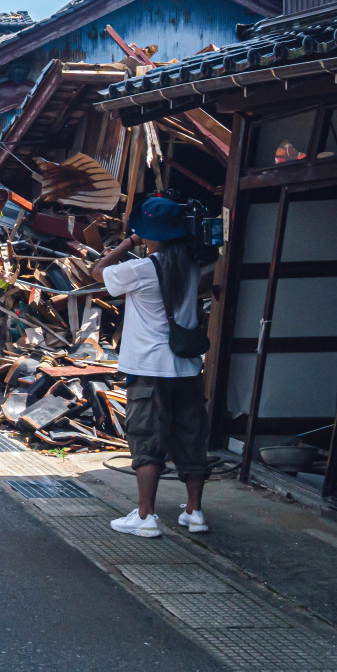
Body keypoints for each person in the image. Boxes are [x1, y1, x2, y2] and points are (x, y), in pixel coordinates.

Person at [86, 196, 212, 538]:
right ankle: (195, 512)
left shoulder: (141, 269)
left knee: (147, 440)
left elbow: (98, 272)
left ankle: (145, 516)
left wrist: (129, 240)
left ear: (150, 234)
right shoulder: (189, 266)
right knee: (190, 439)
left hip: (149, 370)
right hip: (186, 370)